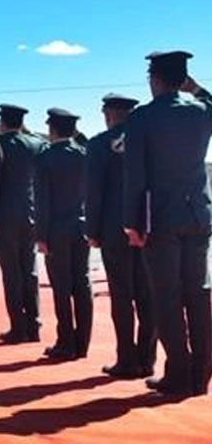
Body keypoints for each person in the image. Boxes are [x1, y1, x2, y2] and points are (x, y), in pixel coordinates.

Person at [123, 51, 212, 397]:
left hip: (160, 219)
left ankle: (178, 374)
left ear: (154, 80)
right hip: (197, 216)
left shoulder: (142, 117)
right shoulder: (201, 110)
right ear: (183, 79)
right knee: (198, 294)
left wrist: (132, 223)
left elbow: (135, 175)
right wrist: (196, 88)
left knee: (167, 297)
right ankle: (201, 374)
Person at [86, 93, 155, 379]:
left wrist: (92, 231)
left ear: (108, 114)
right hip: (148, 226)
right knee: (148, 294)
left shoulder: (99, 144)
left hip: (113, 229)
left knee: (122, 295)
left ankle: (126, 360)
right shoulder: (149, 140)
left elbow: (94, 192)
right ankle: (147, 359)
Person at [0, 103, 46, 344]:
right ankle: (34, 324)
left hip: (6, 217)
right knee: (30, 270)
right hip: (31, 214)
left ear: (3, 122)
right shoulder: (37, 144)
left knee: (12, 273)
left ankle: (18, 328)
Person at [35, 109, 92, 360]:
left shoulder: (45, 158)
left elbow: (42, 200)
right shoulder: (83, 154)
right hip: (81, 227)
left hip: (56, 230)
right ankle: (82, 343)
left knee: (62, 287)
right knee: (82, 284)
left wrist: (41, 236)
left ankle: (66, 342)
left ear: (52, 129)